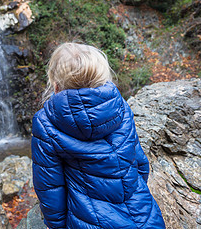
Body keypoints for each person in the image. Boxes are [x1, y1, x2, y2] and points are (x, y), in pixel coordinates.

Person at [31, 42, 166, 229]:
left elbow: (49, 189)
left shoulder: (46, 123)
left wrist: (57, 226)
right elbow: (141, 164)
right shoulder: (121, 108)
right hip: (146, 218)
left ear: (55, 86)